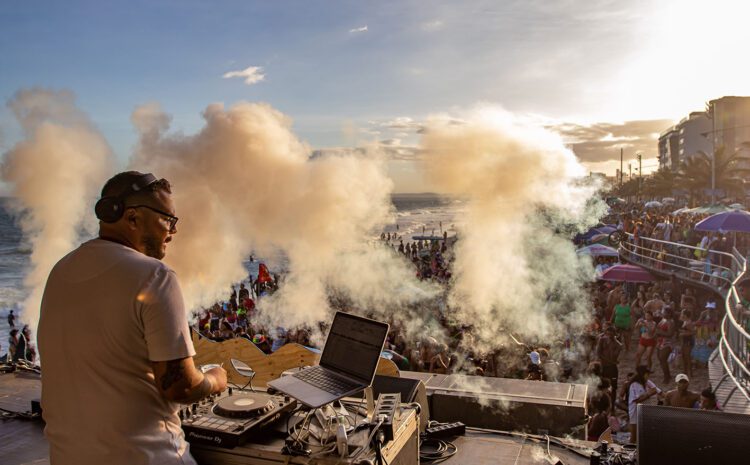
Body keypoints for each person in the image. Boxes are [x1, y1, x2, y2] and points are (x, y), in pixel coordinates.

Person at [37, 171, 227, 465]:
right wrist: (214, 379)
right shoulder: (155, 276)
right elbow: (181, 387)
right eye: (168, 219)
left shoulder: (61, 270)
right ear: (133, 218)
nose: (173, 231)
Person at [627, 365, 661, 443]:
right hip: (635, 412)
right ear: (643, 374)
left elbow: (657, 390)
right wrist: (649, 394)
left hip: (643, 411)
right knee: (634, 435)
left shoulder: (646, 382)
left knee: (641, 434)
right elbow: (637, 400)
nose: (648, 376)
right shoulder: (635, 384)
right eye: (647, 374)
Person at [596, 326, 623, 397]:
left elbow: (613, 357)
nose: (609, 336)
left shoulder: (618, 345)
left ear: (614, 335)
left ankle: (612, 406)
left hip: (611, 368)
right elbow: (598, 353)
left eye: (611, 334)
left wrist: (614, 343)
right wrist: (612, 361)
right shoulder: (602, 340)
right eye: (607, 334)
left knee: (613, 387)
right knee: (600, 386)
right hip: (603, 367)